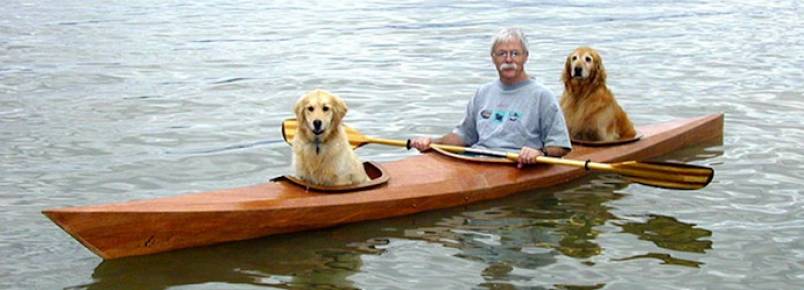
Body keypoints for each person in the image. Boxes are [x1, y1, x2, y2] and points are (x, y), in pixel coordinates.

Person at [410, 27, 571, 167]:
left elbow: (560, 145)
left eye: (515, 53)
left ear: (525, 57)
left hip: (516, 164)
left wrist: (540, 153)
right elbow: (463, 136)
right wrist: (432, 143)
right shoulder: (482, 93)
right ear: (493, 57)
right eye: (502, 54)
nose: (508, 59)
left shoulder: (543, 96)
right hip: (477, 160)